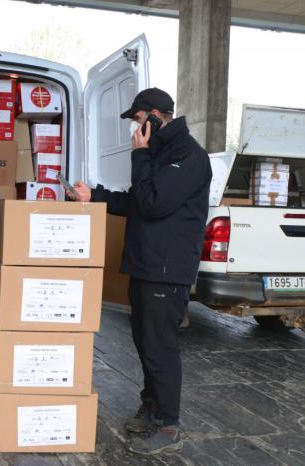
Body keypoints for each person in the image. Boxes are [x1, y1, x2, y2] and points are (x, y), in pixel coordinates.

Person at [67, 88, 212, 456]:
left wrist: (140, 154)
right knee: (145, 343)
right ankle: (151, 406)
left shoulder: (188, 156)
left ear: (154, 116)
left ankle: (167, 424)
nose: (134, 127)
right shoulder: (161, 154)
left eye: (137, 119)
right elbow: (136, 200)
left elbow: (152, 203)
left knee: (161, 347)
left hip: (166, 269)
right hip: (147, 265)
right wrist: (95, 197)